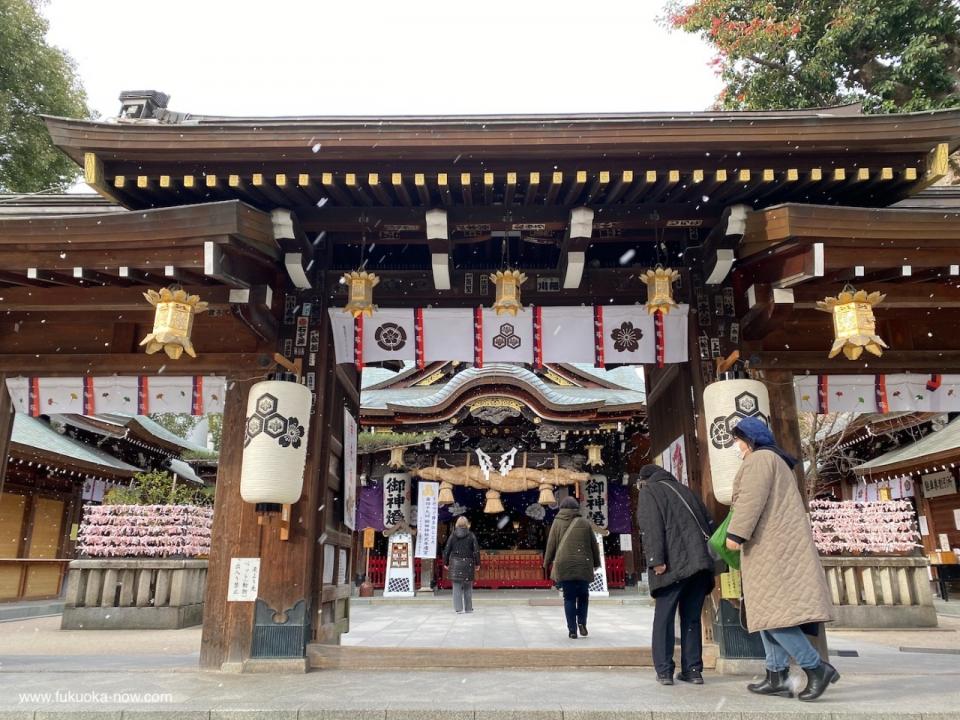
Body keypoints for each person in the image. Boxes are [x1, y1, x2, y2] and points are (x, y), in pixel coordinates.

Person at [725, 416, 838, 702]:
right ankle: (777, 675)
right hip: (775, 547)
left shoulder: (760, 459)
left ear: (749, 440)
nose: (737, 446)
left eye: (738, 440)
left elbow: (751, 500)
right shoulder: (775, 461)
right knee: (767, 612)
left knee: (775, 616)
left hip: (771, 549)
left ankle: (815, 668)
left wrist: (736, 535)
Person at [636, 464, 716, 686]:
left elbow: (651, 527)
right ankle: (692, 670)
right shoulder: (687, 491)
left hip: (673, 563)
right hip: (700, 564)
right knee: (691, 617)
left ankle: (664, 670)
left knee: (664, 616)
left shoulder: (650, 491)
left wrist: (656, 560)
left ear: (645, 479)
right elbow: (709, 524)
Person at [543, 496, 601, 639]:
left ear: (562, 509)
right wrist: (596, 563)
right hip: (583, 564)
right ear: (576, 508)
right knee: (583, 596)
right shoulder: (584, 523)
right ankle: (582, 622)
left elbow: (551, 544)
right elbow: (594, 545)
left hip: (564, 565)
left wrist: (546, 562)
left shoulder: (557, 523)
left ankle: (572, 630)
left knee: (568, 598)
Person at [442, 516, 480, 614]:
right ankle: (468, 608)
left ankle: (459, 609)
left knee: (456, 587)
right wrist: (477, 563)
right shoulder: (471, 535)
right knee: (468, 587)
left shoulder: (452, 535)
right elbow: (476, 551)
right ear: (467, 524)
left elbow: (447, 550)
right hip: (468, 563)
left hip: (455, 563)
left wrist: (445, 562)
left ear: (457, 524)